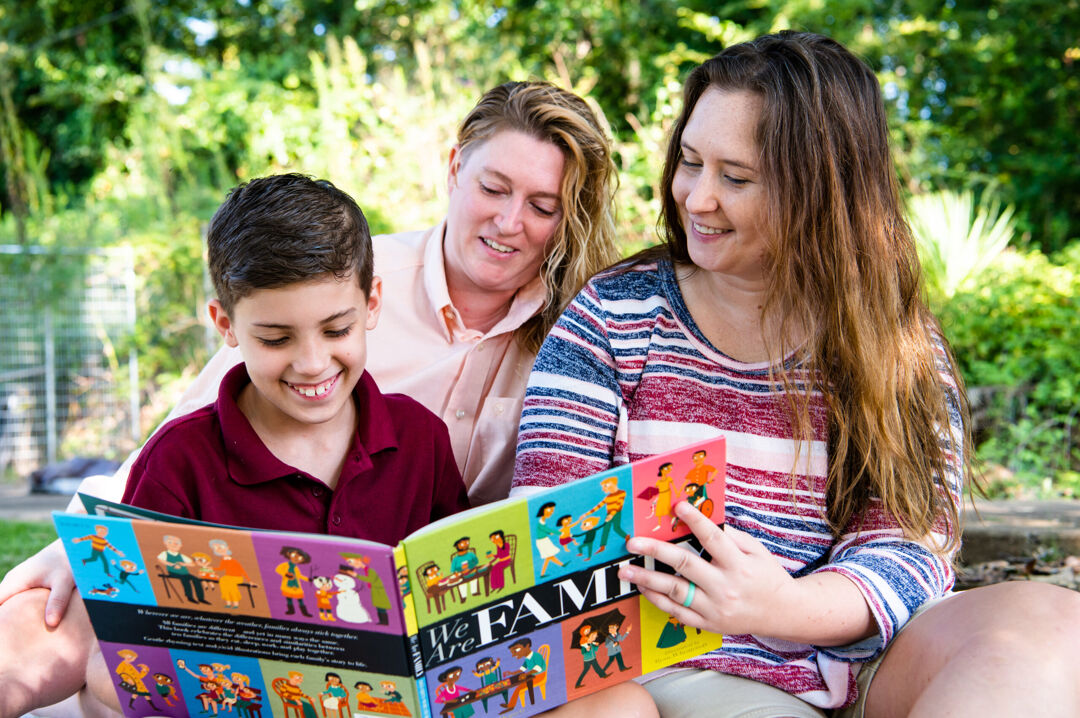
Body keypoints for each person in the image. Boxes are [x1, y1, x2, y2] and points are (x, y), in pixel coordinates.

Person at [0, 81, 649, 718]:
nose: (511, 222)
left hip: (430, 618)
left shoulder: (579, 328)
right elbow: (186, 436)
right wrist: (88, 541)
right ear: (456, 169)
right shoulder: (332, 279)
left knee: (619, 704)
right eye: (494, 188)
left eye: (543, 204)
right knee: (50, 629)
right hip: (245, 619)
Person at [513, 31, 1080, 718]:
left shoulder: (891, 338)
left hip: (851, 656)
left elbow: (909, 544)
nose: (697, 199)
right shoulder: (613, 317)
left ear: (822, 189)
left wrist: (784, 605)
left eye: (737, 177)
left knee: (1054, 627)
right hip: (669, 666)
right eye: (690, 162)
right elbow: (549, 523)